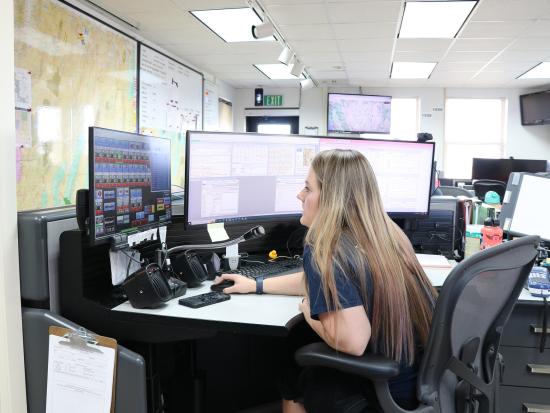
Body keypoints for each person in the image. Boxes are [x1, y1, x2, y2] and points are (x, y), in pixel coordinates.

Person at [213, 149, 438, 413]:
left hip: (377, 394)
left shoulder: (326, 248)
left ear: (332, 199)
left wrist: (309, 314)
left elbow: (353, 341)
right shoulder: (386, 235)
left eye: (308, 189)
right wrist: (256, 285)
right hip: (414, 386)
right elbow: (320, 283)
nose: (300, 195)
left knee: (291, 360)